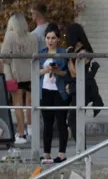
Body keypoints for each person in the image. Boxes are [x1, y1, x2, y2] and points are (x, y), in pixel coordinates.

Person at [1, 13, 37, 144]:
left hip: (15, 75)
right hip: (30, 74)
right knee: (30, 104)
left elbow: (4, 56)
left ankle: (21, 134)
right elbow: (35, 56)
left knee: (18, 105)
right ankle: (32, 131)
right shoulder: (32, 37)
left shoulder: (10, 36)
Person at [65, 23, 103, 143]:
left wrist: (69, 58)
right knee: (74, 118)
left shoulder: (84, 51)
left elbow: (76, 71)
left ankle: (82, 150)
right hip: (77, 87)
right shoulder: (73, 50)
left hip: (85, 87)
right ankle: (81, 149)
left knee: (74, 118)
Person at [39, 23, 69, 164]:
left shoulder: (63, 53)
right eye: (48, 38)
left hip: (59, 91)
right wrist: (45, 70)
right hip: (45, 90)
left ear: (58, 39)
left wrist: (55, 70)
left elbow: (66, 73)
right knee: (47, 123)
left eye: (53, 38)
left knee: (61, 122)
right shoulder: (41, 53)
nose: (50, 41)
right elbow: (35, 72)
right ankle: (46, 154)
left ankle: (61, 154)